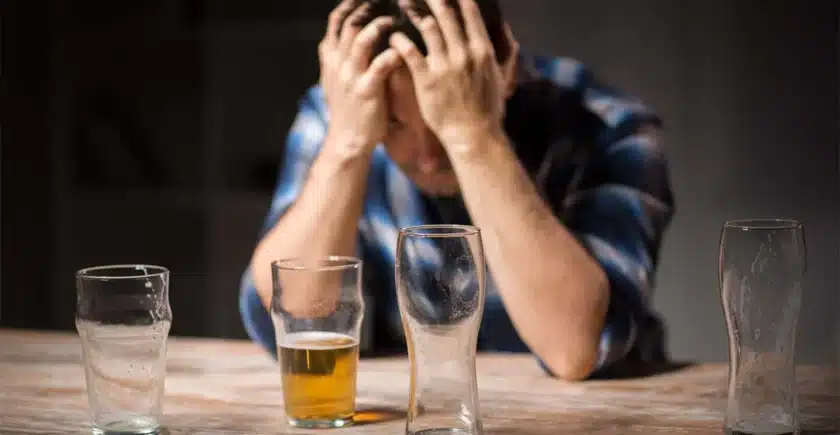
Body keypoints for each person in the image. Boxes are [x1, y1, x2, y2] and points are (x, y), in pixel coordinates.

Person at [239, 0, 675, 381]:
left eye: (440, 120)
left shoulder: (613, 128)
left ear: (505, 66)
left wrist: (473, 134)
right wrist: (347, 144)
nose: (427, 156)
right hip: (422, 410)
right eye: (394, 124)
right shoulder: (346, 109)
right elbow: (287, 322)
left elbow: (575, 350)